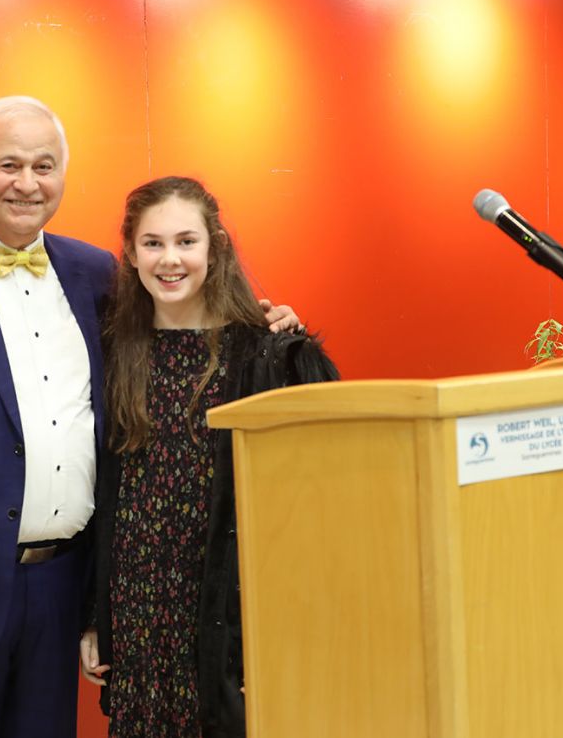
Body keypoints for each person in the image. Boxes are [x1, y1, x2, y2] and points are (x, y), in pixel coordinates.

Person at [0, 98, 297, 738]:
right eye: (8, 164)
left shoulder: (95, 274)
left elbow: (178, 328)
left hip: (60, 588)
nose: (27, 183)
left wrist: (266, 327)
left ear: (63, 175)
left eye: (44, 166)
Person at [79, 176, 339, 738]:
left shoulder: (272, 354)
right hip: (140, 613)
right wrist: (96, 614)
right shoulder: (109, 351)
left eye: (186, 241)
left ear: (215, 246)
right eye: (152, 243)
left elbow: (317, 512)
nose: (169, 259)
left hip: (229, 617)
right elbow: (99, 497)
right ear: (129, 251)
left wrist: (291, 631)